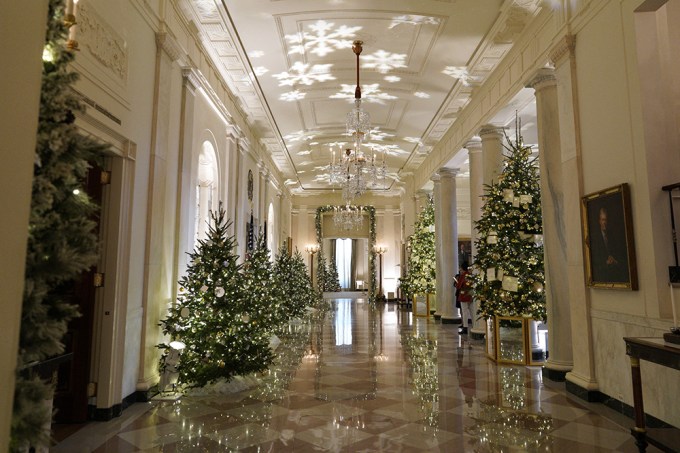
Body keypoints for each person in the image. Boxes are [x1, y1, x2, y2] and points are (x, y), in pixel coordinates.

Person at [591, 206, 629, 282]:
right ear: (599, 221)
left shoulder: (612, 236)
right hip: (602, 277)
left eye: (606, 220)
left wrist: (614, 260)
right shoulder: (595, 238)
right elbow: (594, 261)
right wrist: (606, 262)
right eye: (603, 220)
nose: (604, 222)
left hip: (613, 274)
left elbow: (618, 253)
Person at [455, 262, 473, 334]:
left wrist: (457, 282)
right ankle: (473, 325)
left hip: (464, 295)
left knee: (464, 312)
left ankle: (465, 327)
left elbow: (459, 286)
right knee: (471, 311)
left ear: (462, 268)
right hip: (470, 295)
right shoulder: (469, 275)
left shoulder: (463, 275)